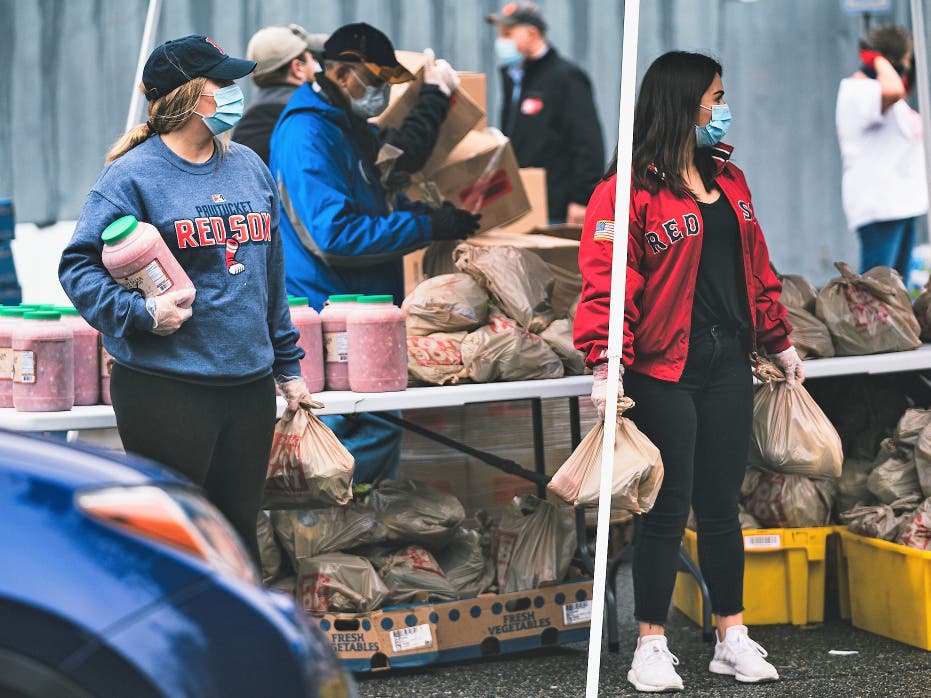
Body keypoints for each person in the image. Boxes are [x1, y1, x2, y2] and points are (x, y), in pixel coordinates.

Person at [574, 51, 802, 693]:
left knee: (722, 506)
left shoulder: (731, 181)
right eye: (716, 96)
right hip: (661, 369)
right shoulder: (624, 193)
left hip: (729, 362)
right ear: (684, 103)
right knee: (667, 509)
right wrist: (606, 363)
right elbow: (609, 286)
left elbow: (758, 268)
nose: (723, 108)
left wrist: (779, 341)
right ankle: (650, 644)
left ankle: (732, 635)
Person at [58, 35, 310, 564]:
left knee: (238, 538)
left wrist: (287, 367)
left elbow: (270, 275)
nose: (235, 91)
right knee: (178, 544)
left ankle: (240, 645)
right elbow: (77, 267)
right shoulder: (131, 176)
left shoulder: (247, 165)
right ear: (194, 97)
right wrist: (143, 314)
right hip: (167, 389)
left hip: (248, 387)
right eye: (224, 82)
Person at [270, 22, 480, 484]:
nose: (383, 91)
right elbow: (335, 235)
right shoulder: (308, 133)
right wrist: (425, 225)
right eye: (376, 79)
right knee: (346, 446)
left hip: (365, 311)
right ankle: (326, 538)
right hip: (331, 314)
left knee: (377, 432)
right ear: (343, 74)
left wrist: (425, 214)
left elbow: (377, 195)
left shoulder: (349, 128)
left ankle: (360, 537)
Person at [486, 1, 604, 224]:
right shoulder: (515, 78)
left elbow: (588, 143)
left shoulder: (566, 77)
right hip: (521, 204)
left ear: (532, 33)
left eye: (508, 33)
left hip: (557, 208)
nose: (501, 40)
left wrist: (581, 199)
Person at [836, 23, 928, 279]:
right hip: (880, 207)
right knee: (877, 291)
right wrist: (879, 59)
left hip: (901, 205)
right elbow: (894, 90)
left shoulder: (876, 92)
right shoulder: (860, 91)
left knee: (896, 292)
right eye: (906, 60)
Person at [232, 24, 326, 165]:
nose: (316, 66)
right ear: (298, 68)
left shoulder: (251, 120)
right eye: (312, 59)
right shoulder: (306, 114)